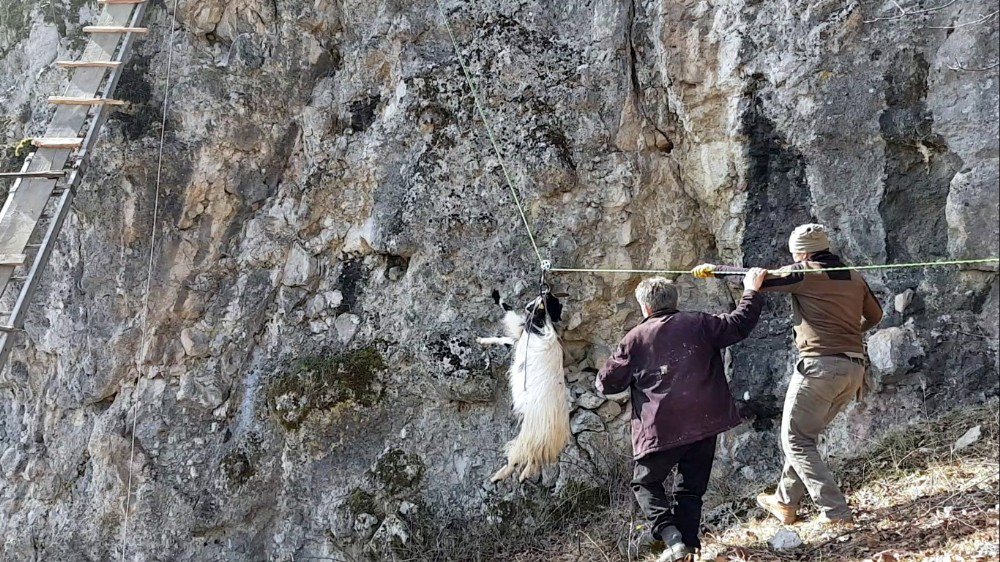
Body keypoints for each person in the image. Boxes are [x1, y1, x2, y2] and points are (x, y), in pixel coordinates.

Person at [693, 223, 884, 526]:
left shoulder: (805, 271)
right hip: (854, 370)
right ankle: (785, 503)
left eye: (795, 250)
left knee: (795, 440)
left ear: (804, 251)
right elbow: (876, 315)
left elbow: (759, 278)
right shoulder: (853, 276)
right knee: (803, 437)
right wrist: (848, 336)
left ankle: (835, 512)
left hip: (819, 367)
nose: (792, 255)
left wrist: (713, 269)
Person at [597, 269, 768, 561]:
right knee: (690, 489)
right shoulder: (699, 323)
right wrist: (752, 290)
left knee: (646, 483)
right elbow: (740, 324)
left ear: (645, 307)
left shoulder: (634, 339)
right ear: (674, 300)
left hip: (662, 427)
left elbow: (607, 384)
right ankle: (686, 547)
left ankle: (672, 538)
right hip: (705, 421)